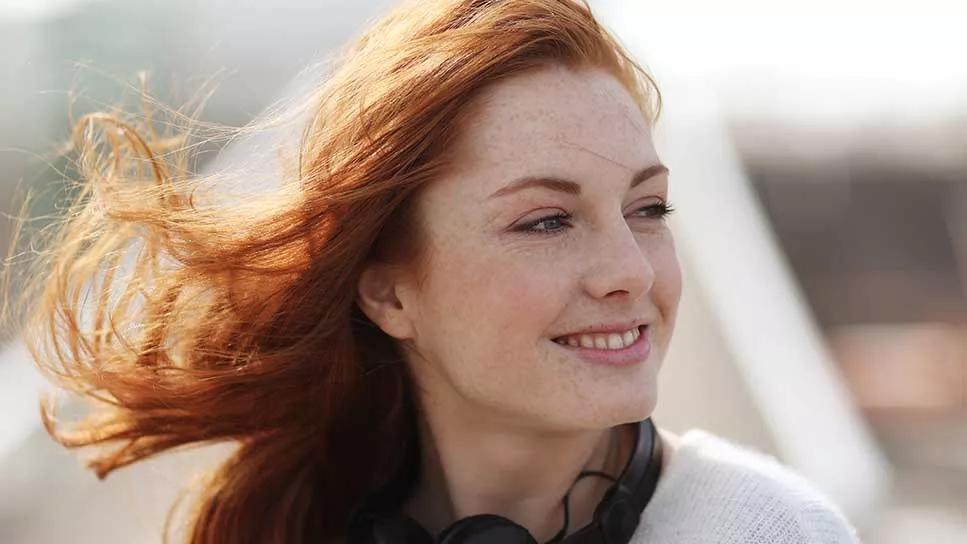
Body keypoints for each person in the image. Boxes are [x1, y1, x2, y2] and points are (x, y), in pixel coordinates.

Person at [14, 0, 862, 542]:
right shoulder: (289, 522)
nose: (628, 271)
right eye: (546, 220)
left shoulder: (760, 530)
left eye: (648, 209)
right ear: (387, 290)